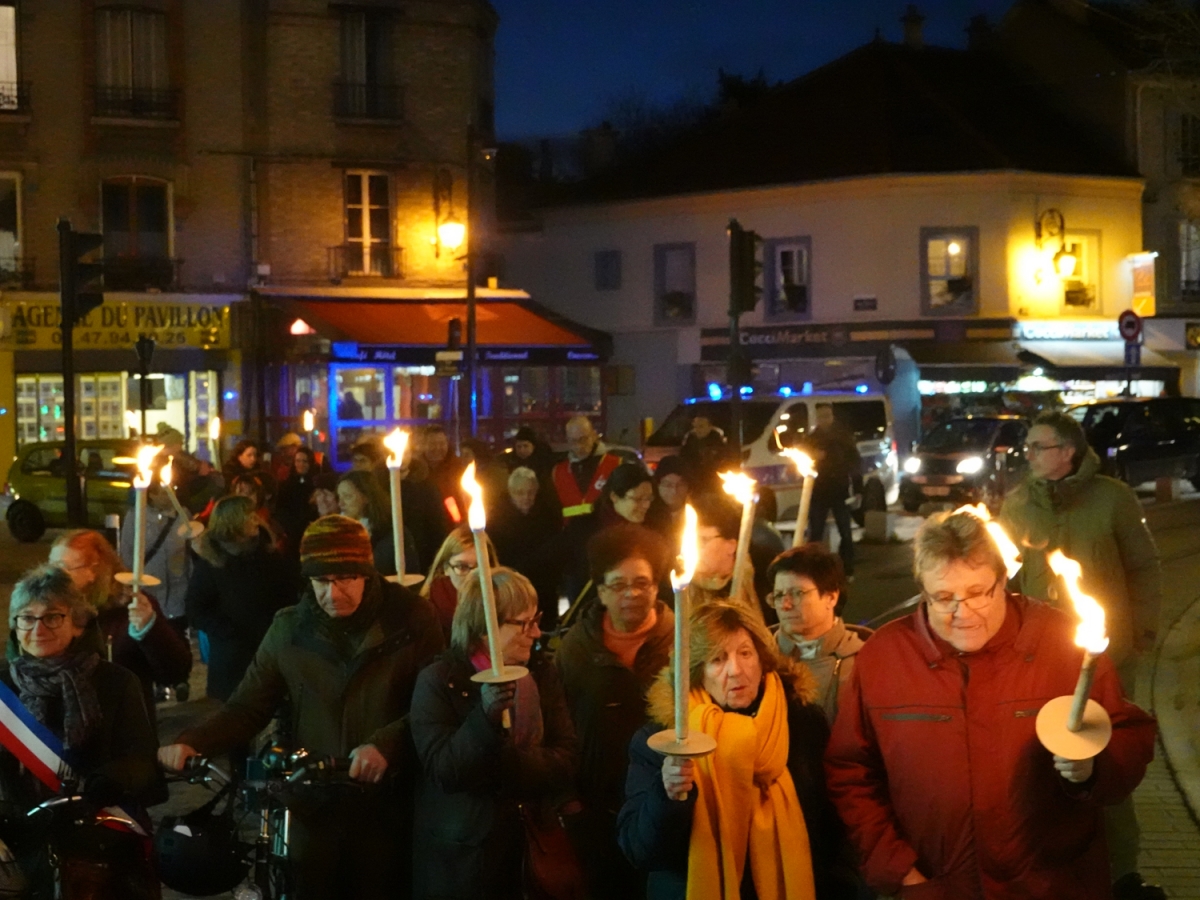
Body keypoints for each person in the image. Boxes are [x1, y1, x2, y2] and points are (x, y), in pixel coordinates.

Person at [824, 509, 1157, 899]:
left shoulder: (1062, 644)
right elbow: (851, 770)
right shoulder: (884, 656)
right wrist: (898, 869)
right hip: (936, 886)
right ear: (923, 591)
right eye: (943, 598)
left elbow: (1129, 736)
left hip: (1050, 886)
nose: (962, 613)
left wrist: (1094, 767)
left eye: (978, 593)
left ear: (1003, 581)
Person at [160, 516, 445, 900]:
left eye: (345, 578)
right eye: (322, 582)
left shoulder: (411, 619)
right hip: (312, 805)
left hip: (388, 806)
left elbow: (433, 706)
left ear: (366, 572)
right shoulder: (289, 629)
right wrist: (195, 741)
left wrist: (386, 746)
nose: (333, 593)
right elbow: (248, 706)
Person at [999, 409, 1164, 899]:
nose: (1026, 455)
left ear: (1067, 452)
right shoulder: (1018, 503)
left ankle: (1119, 870)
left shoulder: (1112, 498)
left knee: (1101, 761)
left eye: (1037, 447)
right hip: (1037, 658)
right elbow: (1004, 580)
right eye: (1026, 447)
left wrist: (1144, 632)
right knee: (1039, 763)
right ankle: (1050, 863)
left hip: (1105, 659)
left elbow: (1144, 566)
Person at [619, 600, 849, 900]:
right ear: (696, 671)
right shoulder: (666, 740)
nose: (736, 670)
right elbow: (640, 850)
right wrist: (668, 797)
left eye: (745, 653)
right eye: (717, 659)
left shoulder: (802, 723)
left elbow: (834, 826)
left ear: (762, 658)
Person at [409, 567, 579, 900]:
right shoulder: (440, 680)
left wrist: (514, 765)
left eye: (536, 619)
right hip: (465, 858)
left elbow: (566, 756)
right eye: (523, 623)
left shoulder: (541, 673)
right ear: (485, 626)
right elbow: (446, 769)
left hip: (530, 847)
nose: (536, 633)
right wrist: (484, 718)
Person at [2, 566, 161, 899]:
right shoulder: (2, 687)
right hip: (17, 844)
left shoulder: (116, 682)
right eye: (26, 618)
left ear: (76, 623)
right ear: (14, 626)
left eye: (52, 617)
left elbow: (142, 760)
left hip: (98, 839)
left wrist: (111, 780)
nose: (38, 628)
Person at [556, 524, 675, 899]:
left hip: (666, 801)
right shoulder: (576, 649)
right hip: (596, 806)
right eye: (618, 584)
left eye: (641, 582)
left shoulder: (684, 641)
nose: (632, 594)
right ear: (601, 590)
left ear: (656, 586)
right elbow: (557, 723)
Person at [46, 529, 192, 720]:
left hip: (125, 727)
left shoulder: (131, 607)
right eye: (50, 565)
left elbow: (176, 671)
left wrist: (150, 629)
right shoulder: (45, 607)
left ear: (93, 570)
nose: (51, 575)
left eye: (62, 567)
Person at [185, 495, 298, 701]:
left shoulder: (269, 556)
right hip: (232, 658)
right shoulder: (213, 563)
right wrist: (227, 632)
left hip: (269, 650)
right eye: (248, 515)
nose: (255, 519)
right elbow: (196, 609)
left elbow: (289, 595)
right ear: (232, 522)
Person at [767, 544, 870, 722]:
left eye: (798, 593)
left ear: (831, 597)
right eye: (778, 595)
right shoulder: (760, 656)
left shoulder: (864, 661)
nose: (785, 605)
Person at [553, 416, 623, 598]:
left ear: (594, 435)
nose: (578, 446)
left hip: (608, 547)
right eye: (573, 441)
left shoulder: (615, 465)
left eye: (583, 439)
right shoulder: (558, 472)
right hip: (574, 555)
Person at [489, 466, 564, 629]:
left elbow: (555, 548)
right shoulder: (497, 519)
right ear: (510, 492)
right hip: (512, 583)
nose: (526, 497)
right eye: (520, 492)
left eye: (530, 492)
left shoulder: (548, 514)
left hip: (543, 584)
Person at [802, 404, 861, 578]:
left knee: (845, 531)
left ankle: (847, 569)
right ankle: (813, 570)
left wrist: (858, 489)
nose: (824, 419)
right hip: (819, 491)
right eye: (821, 416)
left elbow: (855, 463)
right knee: (815, 533)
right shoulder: (812, 439)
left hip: (838, 490)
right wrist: (814, 456)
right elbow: (803, 461)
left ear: (832, 417)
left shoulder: (843, 437)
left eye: (827, 416)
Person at [419, 524, 499, 641]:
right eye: (462, 566)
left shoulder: (503, 608)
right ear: (445, 568)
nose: (472, 575)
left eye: (481, 566)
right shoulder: (426, 615)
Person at [337, 469, 417, 577]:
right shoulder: (336, 533)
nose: (340, 503)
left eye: (347, 496)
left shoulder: (394, 535)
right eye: (339, 497)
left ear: (366, 497)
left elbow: (410, 576)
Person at [275, 444, 320, 556]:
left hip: (313, 532)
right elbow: (280, 509)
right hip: (293, 534)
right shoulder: (286, 485)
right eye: (297, 461)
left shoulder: (317, 483)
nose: (300, 464)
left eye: (304, 461)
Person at [645, 455, 690, 551]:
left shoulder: (696, 514)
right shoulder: (646, 514)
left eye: (680, 485)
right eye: (668, 485)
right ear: (658, 485)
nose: (674, 490)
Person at [679, 414, 730, 497]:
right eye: (695, 427)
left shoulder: (718, 443)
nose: (697, 430)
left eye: (701, 426)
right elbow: (683, 461)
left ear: (710, 427)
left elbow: (725, 463)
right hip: (694, 485)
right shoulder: (689, 442)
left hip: (714, 485)